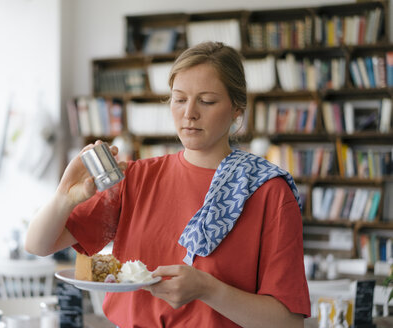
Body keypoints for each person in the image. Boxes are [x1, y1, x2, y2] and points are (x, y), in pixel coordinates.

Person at [25, 41, 310, 327]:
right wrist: (66, 195)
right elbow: (38, 244)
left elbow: (288, 322)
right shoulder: (136, 178)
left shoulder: (268, 191)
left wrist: (209, 290)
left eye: (207, 101)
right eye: (179, 99)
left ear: (237, 109)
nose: (190, 114)